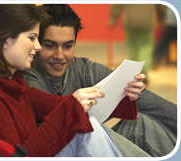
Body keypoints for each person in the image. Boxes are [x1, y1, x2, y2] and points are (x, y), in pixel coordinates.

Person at [0, 4, 141, 157]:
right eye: (32, 38)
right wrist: (72, 109)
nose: (38, 46)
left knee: (91, 124)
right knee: (88, 133)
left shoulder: (11, 84)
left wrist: (122, 92)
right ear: (5, 40)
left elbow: (60, 105)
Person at [25, 4, 177, 157]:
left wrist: (129, 93)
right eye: (50, 46)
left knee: (142, 123)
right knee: (89, 128)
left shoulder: (83, 69)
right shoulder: (25, 77)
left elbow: (153, 103)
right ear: (36, 44)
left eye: (68, 46)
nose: (59, 55)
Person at [109, 4, 166, 83]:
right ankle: (144, 70)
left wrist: (113, 18)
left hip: (130, 19)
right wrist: (162, 17)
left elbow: (117, 4)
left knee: (133, 46)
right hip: (147, 20)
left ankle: (135, 71)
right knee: (146, 46)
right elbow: (161, 5)